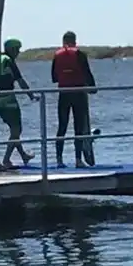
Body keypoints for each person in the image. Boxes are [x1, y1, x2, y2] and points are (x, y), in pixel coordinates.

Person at [52, 31, 96, 168]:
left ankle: (59, 160)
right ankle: (78, 160)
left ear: (63, 41)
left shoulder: (57, 55)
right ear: (74, 41)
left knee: (62, 126)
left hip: (64, 93)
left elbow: (54, 77)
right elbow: (87, 72)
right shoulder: (80, 54)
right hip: (78, 92)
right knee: (79, 126)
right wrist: (93, 87)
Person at [0, 37, 37, 169]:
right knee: (17, 129)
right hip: (8, 98)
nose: (18, 53)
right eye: (17, 50)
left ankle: (23, 155)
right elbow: (20, 81)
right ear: (11, 49)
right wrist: (31, 95)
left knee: (14, 129)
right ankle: (6, 160)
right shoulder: (8, 61)